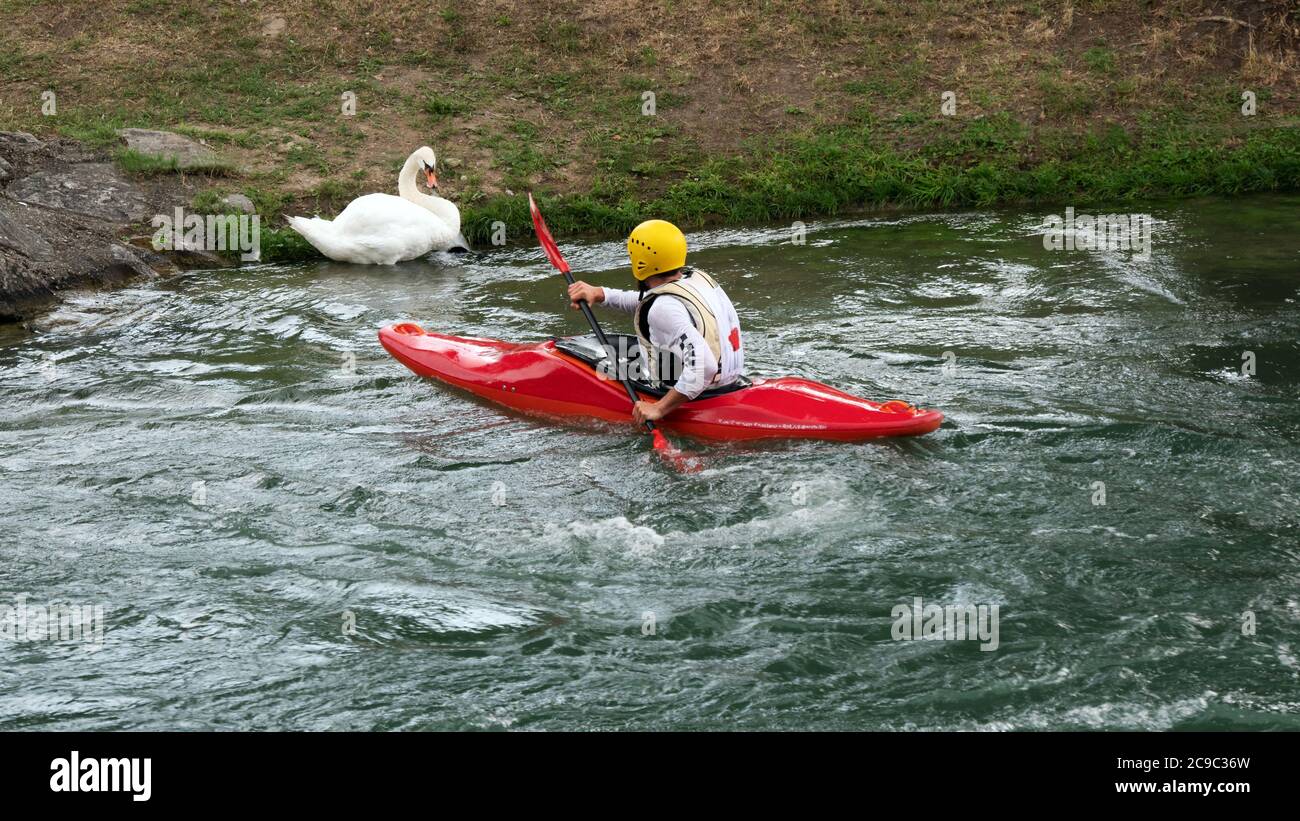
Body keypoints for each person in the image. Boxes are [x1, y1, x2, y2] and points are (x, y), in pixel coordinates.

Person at [567, 219, 744, 425]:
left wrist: (658, 408)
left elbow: (704, 367)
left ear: (640, 263)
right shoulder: (696, 280)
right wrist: (600, 294)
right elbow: (650, 303)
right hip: (730, 385)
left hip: (697, 396)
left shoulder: (663, 308)